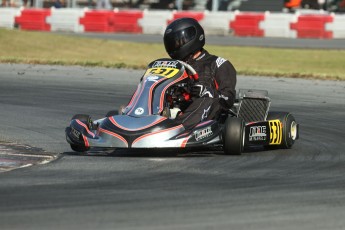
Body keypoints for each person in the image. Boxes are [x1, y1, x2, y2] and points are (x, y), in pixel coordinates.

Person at [163, 17, 237, 130]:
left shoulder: (218, 64)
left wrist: (207, 92)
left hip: (209, 118)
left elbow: (228, 99)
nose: (175, 46)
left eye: (178, 42)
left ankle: (177, 128)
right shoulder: (174, 66)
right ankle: (135, 119)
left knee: (207, 100)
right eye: (173, 43)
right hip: (178, 110)